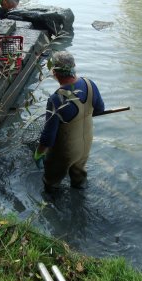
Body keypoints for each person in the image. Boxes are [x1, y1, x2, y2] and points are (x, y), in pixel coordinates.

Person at [34, 51, 105, 191]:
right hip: (85, 146)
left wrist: (39, 153)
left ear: (54, 72)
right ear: (74, 66)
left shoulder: (56, 99)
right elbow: (100, 109)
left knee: (51, 182)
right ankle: (79, 192)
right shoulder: (90, 84)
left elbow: (48, 137)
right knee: (79, 179)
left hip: (66, 151)